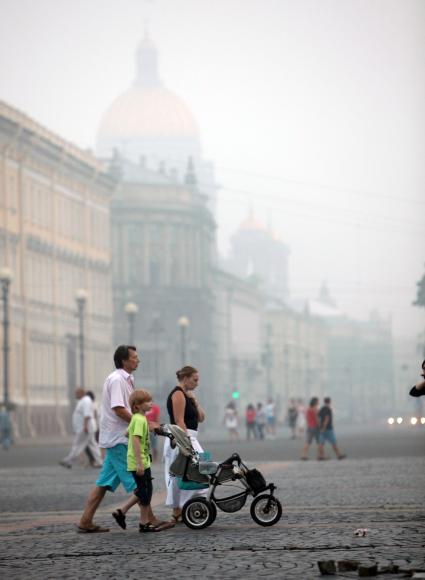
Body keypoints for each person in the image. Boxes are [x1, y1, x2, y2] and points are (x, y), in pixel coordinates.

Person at [77, 345, 154, 533]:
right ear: (124, 361)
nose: (138, 360)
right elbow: (119, 409)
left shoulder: (126, 379)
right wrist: (144, 424)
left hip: (115, 439)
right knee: (142, 483)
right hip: (119, 439)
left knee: (103, 484)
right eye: (134, 357)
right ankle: (149, 519)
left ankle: (85, 521)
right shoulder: (117, 379)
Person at [164, 365, 206, 524]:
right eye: (195, 380)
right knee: (179, 474)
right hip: (182, 438)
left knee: (195, 471)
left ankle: (187, 506)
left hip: (191, 437)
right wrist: (186, 443)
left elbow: (201, 418)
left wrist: (195, 402)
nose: (197, 383)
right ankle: (178, 510)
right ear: (186, 378)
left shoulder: (188, 396)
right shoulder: (177, 394)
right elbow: (179, 420)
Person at [127, 389, 174, 532]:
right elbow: (135, 440)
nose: (151, 403)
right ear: (137, 405)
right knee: (145, 493)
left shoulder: (136, 418)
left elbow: (127, 433)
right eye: (147, 401)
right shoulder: (140, 420)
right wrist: (140, 463)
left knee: (144, 491)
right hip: (139, 462)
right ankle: (143, 523)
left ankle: (139, 519)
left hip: (140, 460)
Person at [60, 388, 102, 469]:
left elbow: (87, 414)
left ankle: (68, 461)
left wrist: (85, 426)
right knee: (93, 446)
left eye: (76, 393)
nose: (75, 395)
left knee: (78, 445)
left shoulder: (86, 401)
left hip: (85, 428)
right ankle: (100, 462)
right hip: (87, 427)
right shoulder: (84, 401)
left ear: (81, 393)